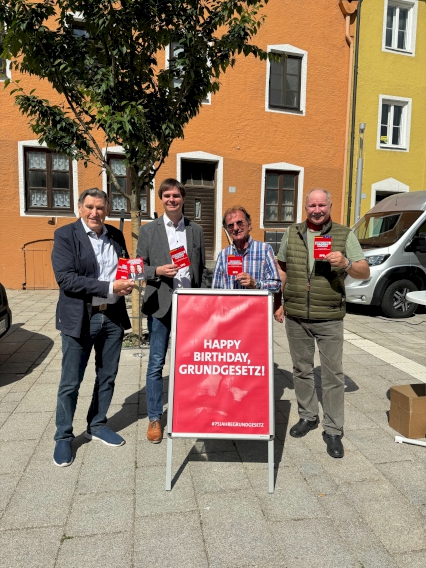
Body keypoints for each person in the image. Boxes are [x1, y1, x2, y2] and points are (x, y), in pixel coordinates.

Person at [276, 188, 370, 458]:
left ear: (330, 205)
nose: (317, 210)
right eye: (312, 205)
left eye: (322, 205)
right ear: (305, 207)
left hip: (328, 316)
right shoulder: (292, 232)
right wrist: (278, 301)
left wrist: (347, 262)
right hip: (296, 315)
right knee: (301, 370)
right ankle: (308, 416)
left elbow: (364, 270)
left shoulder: (343, 234)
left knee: (332, 375)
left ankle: (332, 429)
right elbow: (282, 267)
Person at [51, 188, 134, 467]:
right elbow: (67, 279)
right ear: (79, 208)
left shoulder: (115, 235)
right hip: (80, 318)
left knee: (107, 375)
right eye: (89, 207)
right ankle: (63, 435)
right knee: (71, 381)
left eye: (100, 207)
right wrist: (111, 286)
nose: (94, 212)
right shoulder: (66, 236)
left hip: (111, 316)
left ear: (107, 209)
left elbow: (123, 267)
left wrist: (129, 280)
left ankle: (97, 425)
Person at [137, 178, 207, 443]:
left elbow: (201, 269)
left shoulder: (196, 230)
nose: (171, 199)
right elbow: (137, 268)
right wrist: (156, 271)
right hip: (161, 305)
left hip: (191, 306)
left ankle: (188, 411)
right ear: (161, 199)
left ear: (183, 198)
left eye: (176, 195)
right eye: (167, 195)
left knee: (190, 363)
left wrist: (206, 301)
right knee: (156, 363)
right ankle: (155, 417)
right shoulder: (148, 230)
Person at [212, 205, 281, 292]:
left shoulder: (265, 250)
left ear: (249, 225)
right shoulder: (223, 255)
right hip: (231, 305)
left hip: (255, 305)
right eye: (230, 225)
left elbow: (276, 285)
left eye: (239, 223)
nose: (236, 228)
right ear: (227, 230)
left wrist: (256, 284)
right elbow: (215, 290)